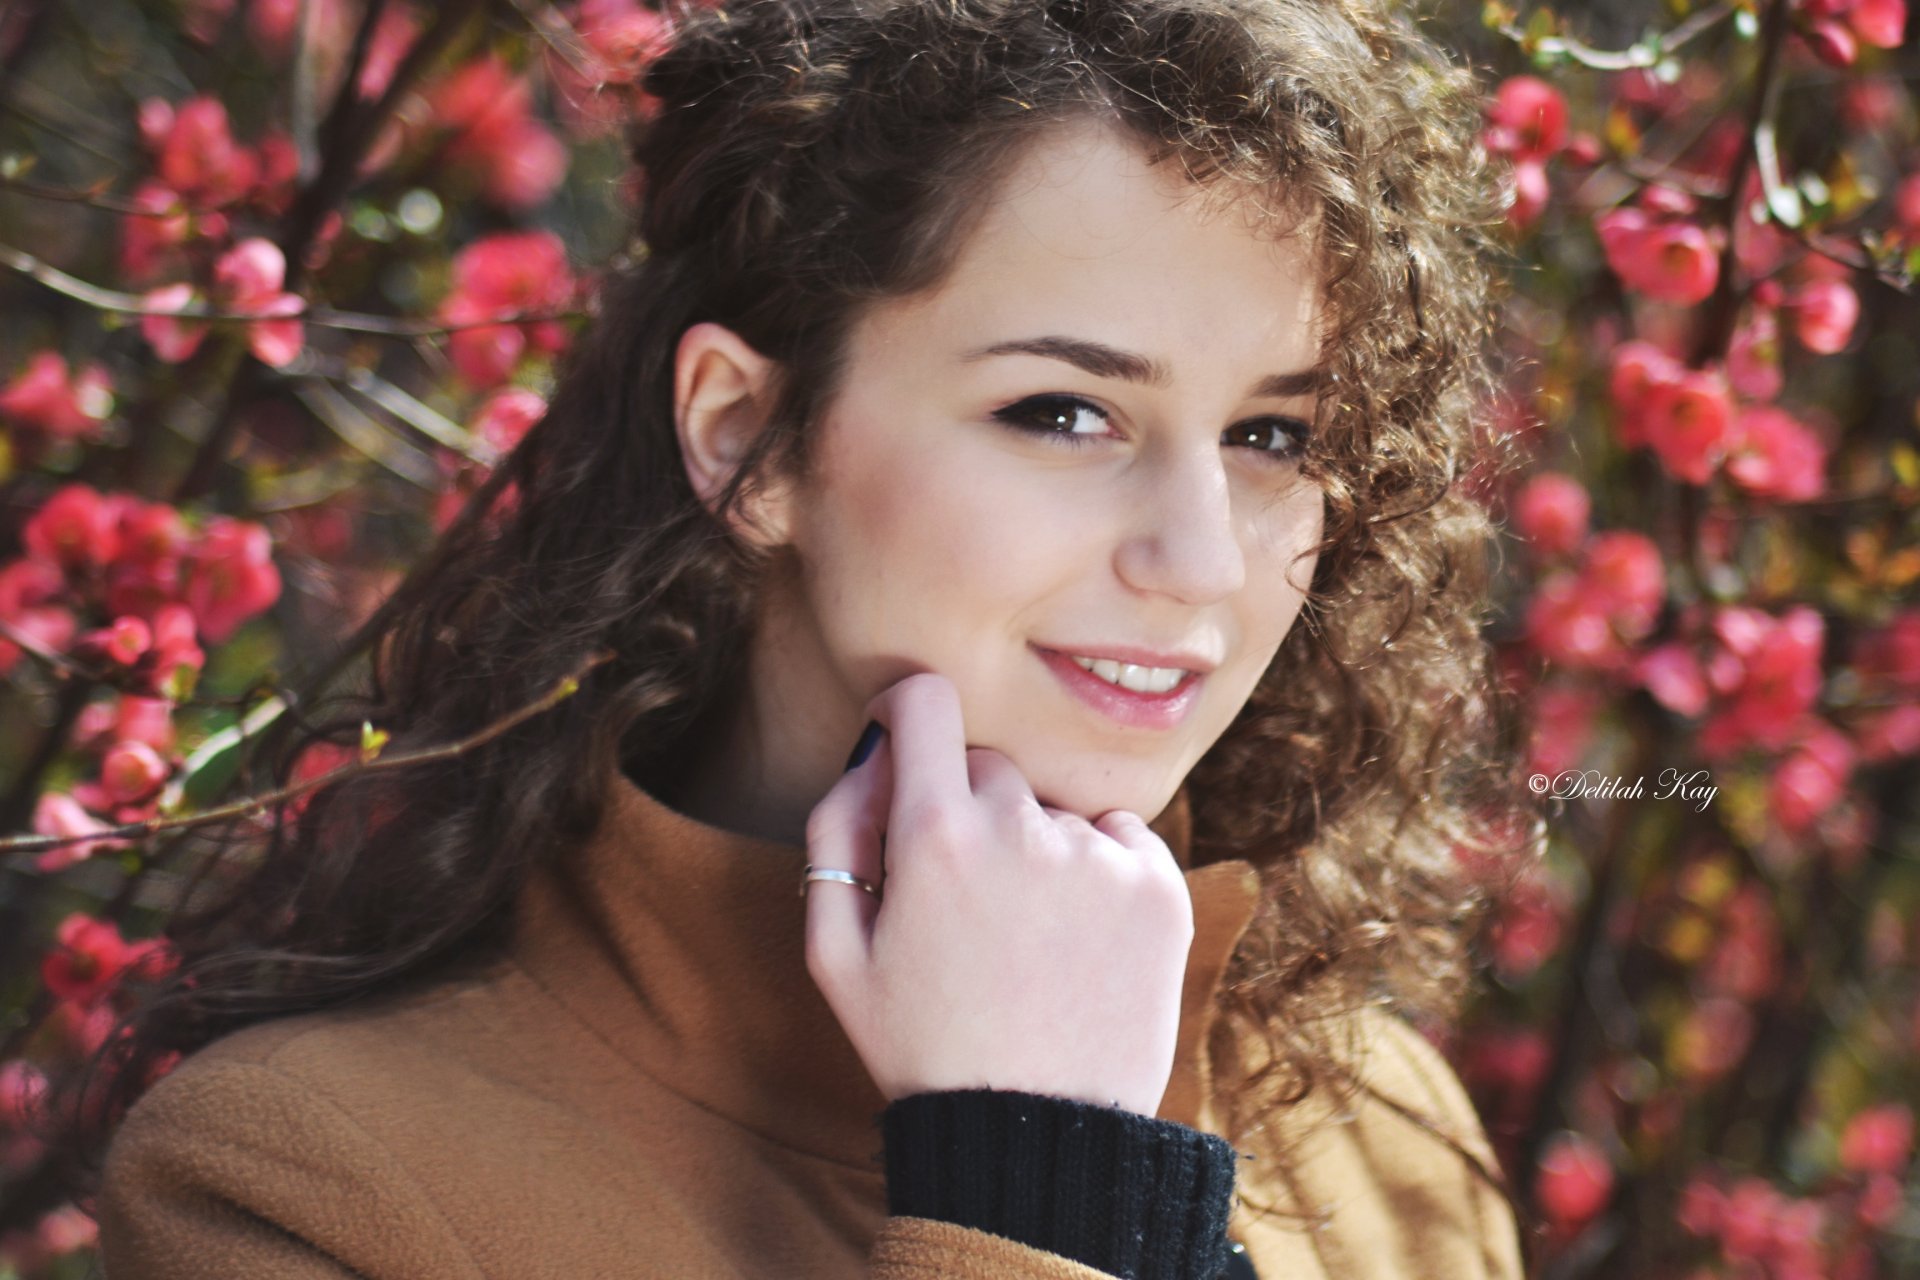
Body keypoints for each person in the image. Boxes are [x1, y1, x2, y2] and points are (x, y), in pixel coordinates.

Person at [65, 0, 1541, 1275]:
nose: (1203, 558)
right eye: (1067, 413)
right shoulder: (311, 1188)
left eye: (1274, 433)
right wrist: (1048, 1186)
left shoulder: (1381, 1145)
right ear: (749, 439)